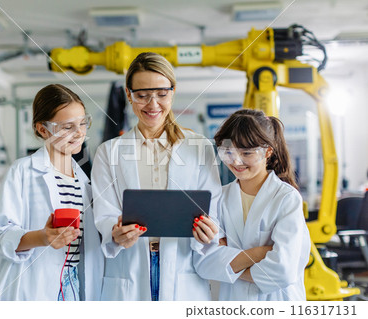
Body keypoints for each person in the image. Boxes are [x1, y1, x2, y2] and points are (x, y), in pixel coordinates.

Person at [91, 52, 221, 301]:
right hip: (129, 267)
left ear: (173, 92)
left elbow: (213, 208)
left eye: (162, 94)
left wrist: (209, 230)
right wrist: (114, 233)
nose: (153, 104)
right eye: (142, 95)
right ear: (128, 95)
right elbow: (105, 214)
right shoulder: (109, 152)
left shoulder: (199, 146)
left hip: (183, 267)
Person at [0, 84, 104, 301]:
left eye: (82, 123)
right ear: (43, 129)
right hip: (34, 284)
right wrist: (42, 237)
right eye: (67, 127)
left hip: (75, 283)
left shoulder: (85, 180)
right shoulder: (23, 171)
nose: (79, 133)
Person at [197, 109, 311, 301]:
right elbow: (204, 263)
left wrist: (228, 265)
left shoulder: (286, 198)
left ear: (268, 151)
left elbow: (283, 270)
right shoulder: (218, 198)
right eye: (228, 152)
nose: (236, 161)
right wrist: (261, 253)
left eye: (247, 153)